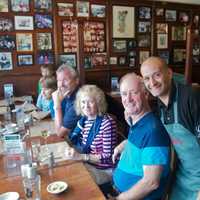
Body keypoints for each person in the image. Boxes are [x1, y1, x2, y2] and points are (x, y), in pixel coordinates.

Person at [140, 57, 200, 200]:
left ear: (169, 73)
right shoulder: (159, 106)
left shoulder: (191, 98)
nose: (152, 82)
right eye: (147, 78)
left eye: (157, 75)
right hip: (183, 178)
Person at [109, 72, 171, 200]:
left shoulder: (153, 131)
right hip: (117, 188)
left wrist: (119, 199)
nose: (128, 99)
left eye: (134, 93)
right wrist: (124, 145)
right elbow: (142, 144)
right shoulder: (138, 121)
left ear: (146, 94)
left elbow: (151, 183)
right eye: (124, 94)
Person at [65, 84, 117, 186]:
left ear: (98, 103)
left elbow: (108, 156)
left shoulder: (107, 123)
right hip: (88, 164)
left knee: (74, 183)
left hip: (103, 170)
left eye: (91, 102)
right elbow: (75, 141)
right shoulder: (85, 120)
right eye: (83, 102)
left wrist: (81, 157)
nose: (86, 106)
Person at [52, 64, 80, 138]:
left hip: (80, 146)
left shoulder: (79, 100)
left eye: (65, 80)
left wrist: (57, 105)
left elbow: (60, 133)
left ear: (76, 80)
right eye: (59, 80)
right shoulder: (66, 95)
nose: (61, 85)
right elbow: (54, 118)